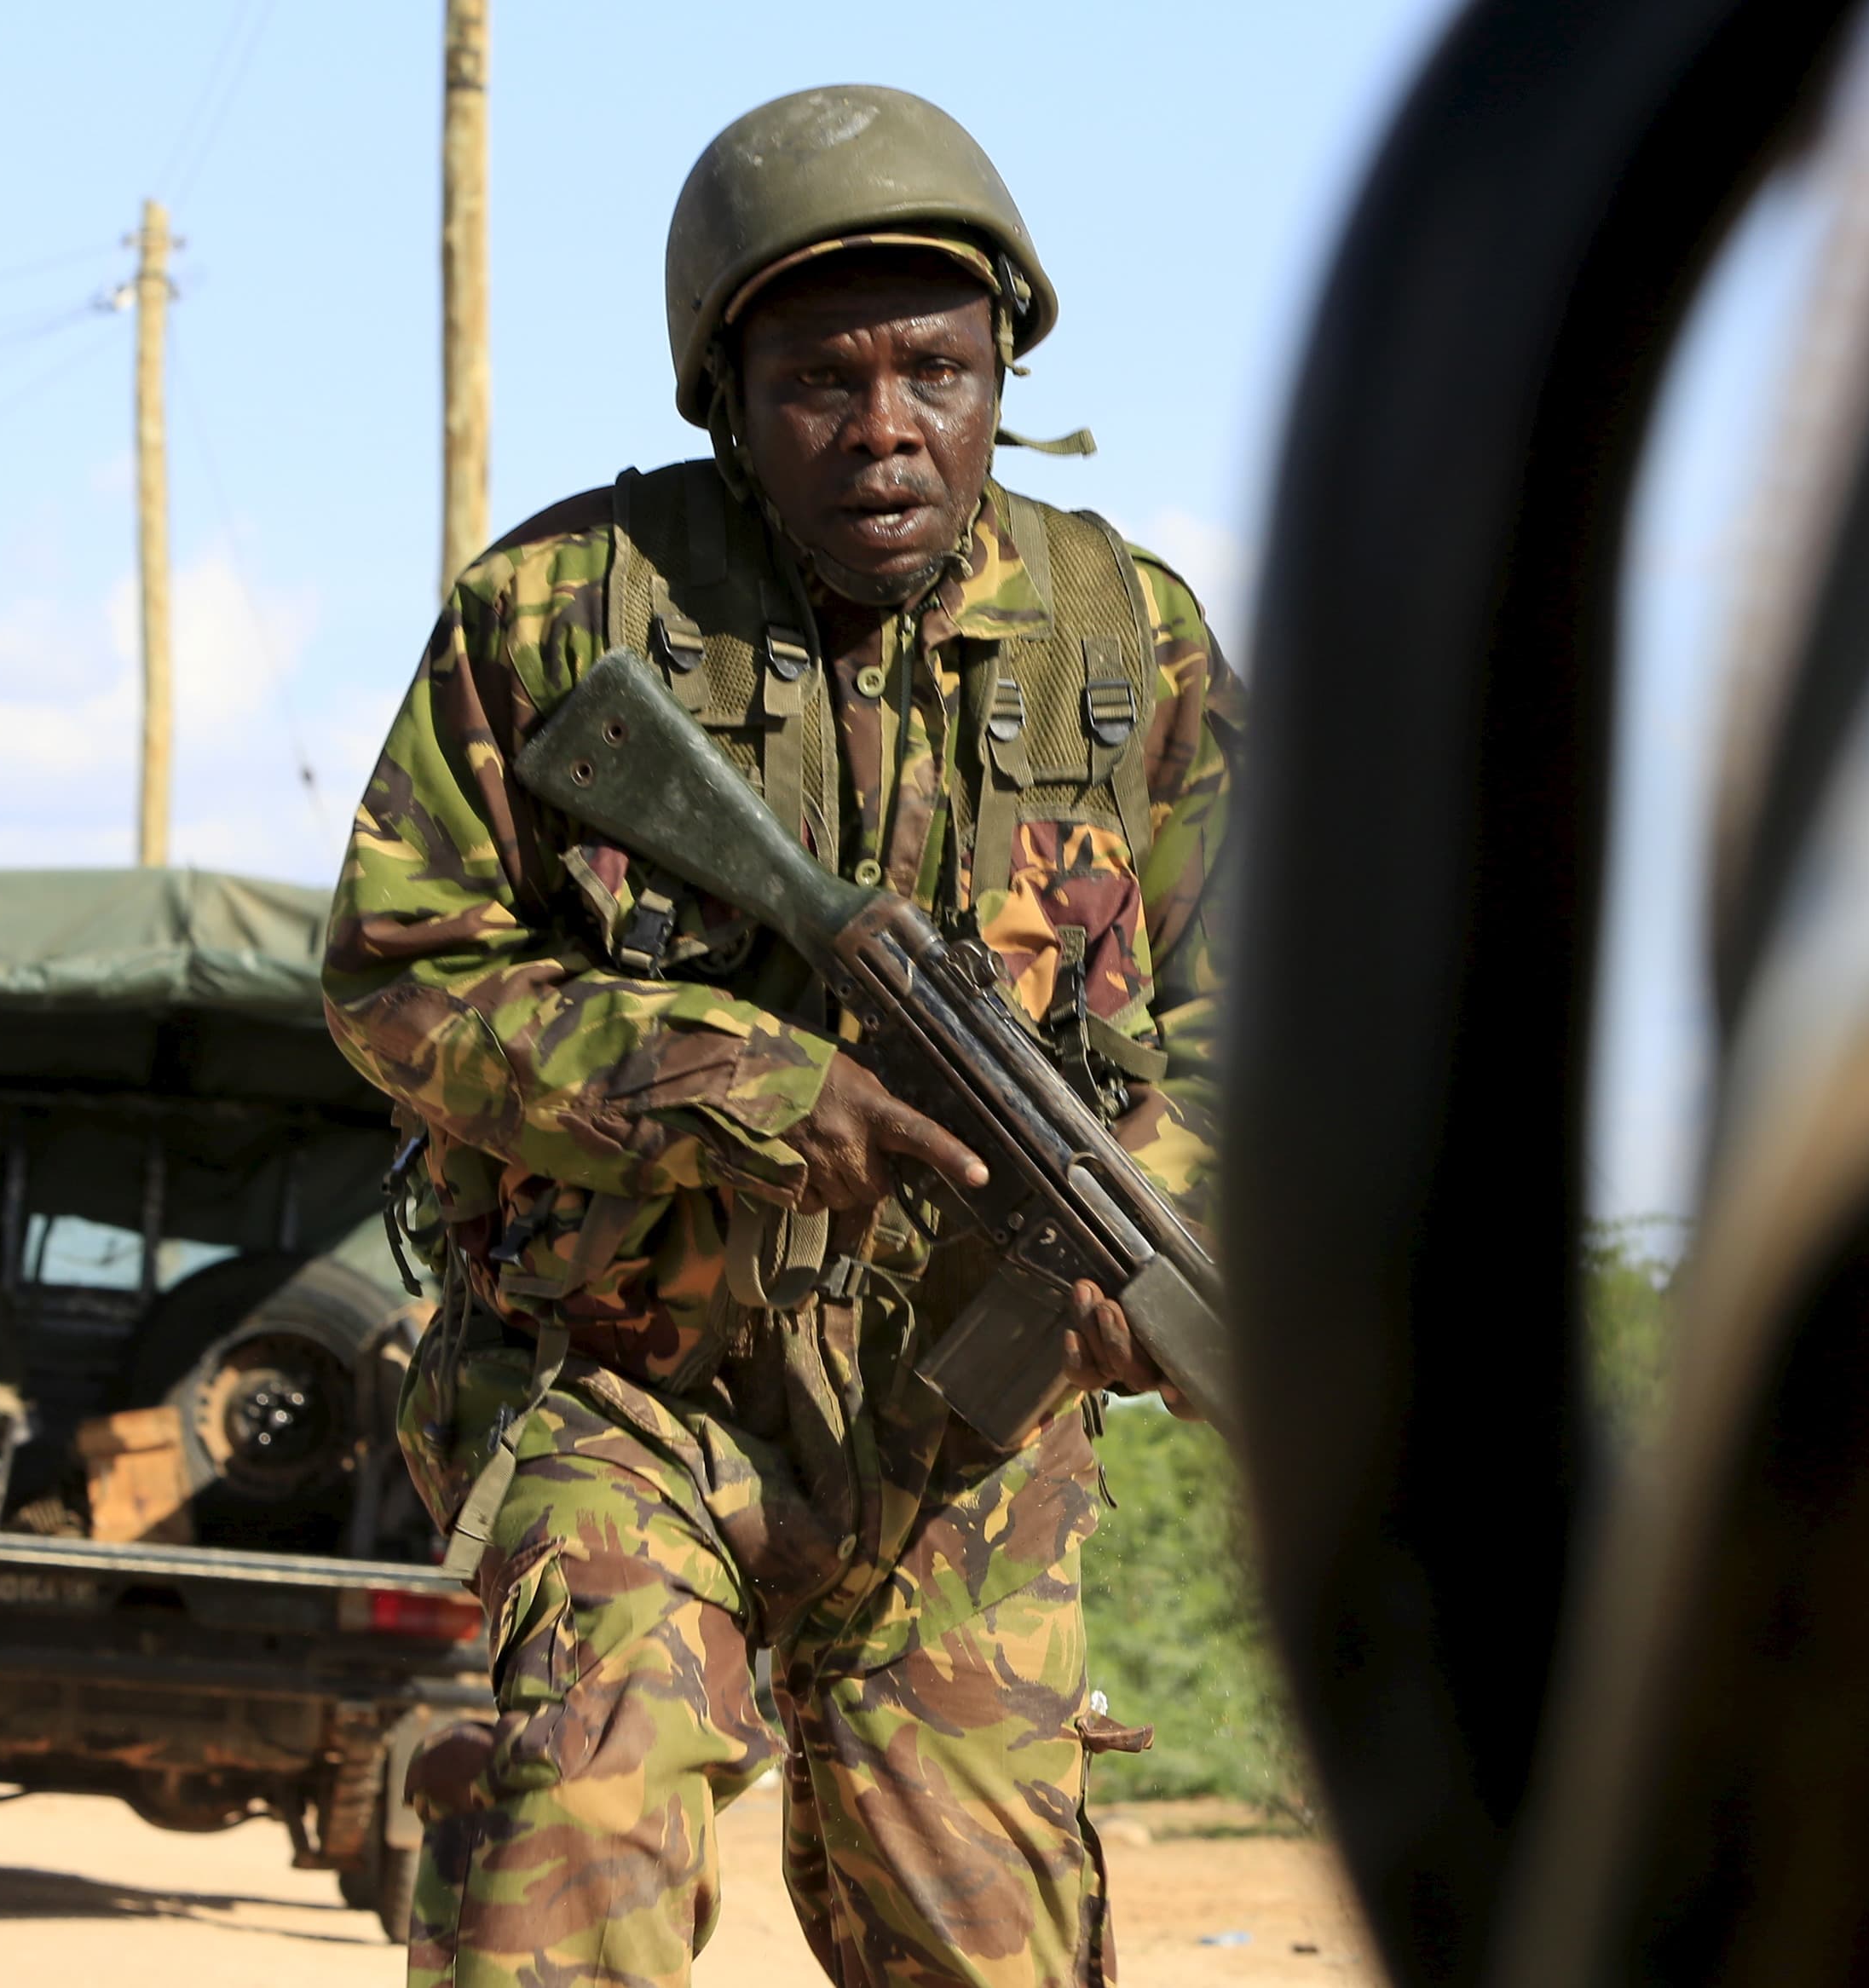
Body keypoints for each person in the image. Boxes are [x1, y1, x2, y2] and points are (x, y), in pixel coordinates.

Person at [325, 84, 1237, 1988]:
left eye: (939, 369)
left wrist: (1143, 1216)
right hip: (618, 1391)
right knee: (570, 1844)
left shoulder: (1124, 640)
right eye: (824, 378)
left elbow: (1247, 1029)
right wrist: (742, 1087)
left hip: (964, 1444)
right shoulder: (565, 615)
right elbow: (397, 977)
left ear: (1006, 372)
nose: (890, 428)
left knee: (989, 1938)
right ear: (724, 393)